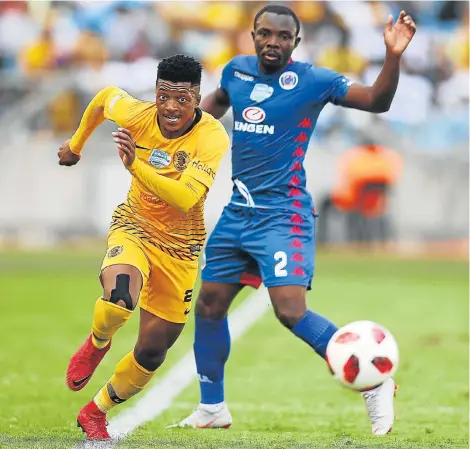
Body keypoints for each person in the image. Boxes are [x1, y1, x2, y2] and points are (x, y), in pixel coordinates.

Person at [175, 5, 415, 435]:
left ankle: (375, 381)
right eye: (265, 34)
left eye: (283, 36)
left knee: (289, 311)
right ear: (252, 35)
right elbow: (207, 113)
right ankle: (212, 408)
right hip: (237, 212)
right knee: (209, 304)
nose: (273, 42)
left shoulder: (314, 81)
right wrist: (166, 130)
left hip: (284, 216)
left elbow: (377, 101)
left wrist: (393, 56)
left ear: (296, 42)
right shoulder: (236, 72)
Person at [57, 54, 229, 441]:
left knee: (153, 351)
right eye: (163, 95)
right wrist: (76, 144)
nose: (170, 106)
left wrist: (137, 166)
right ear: (155, 92)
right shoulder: (137, 113)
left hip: (182, 248)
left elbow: (186, 197)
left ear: (198, 99)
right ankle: (98, 343)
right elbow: (104, 98)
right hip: (134, 226)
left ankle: (95, 411)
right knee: (120, 296)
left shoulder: (212, 136)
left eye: (182, 99)